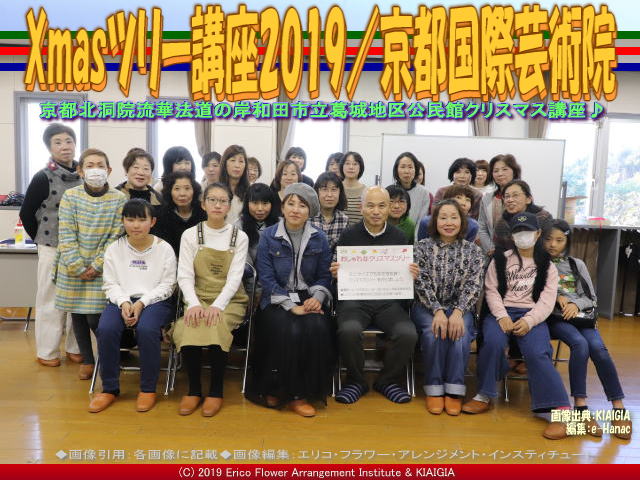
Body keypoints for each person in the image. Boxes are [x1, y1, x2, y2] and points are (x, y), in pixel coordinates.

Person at [462, 212, 572, 440]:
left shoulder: (547, 265)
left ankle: (561, 411)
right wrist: (502, 316)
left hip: (532, 314)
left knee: (538, 352)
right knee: (492, 342)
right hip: (501, 312)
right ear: (512, 236)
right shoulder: (500, 260)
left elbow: (547, 300)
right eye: (518, 232)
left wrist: (529, 320)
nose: (523, 236)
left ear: (538, 234)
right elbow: (491, 290)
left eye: (528, 231)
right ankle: (484, 394)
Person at [250, 183, 333, 417]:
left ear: (310, 211)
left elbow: (324, 276)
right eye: (291, 203)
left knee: (317, 326)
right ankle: (277, 389)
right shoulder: (268, 236)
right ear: (283, 207)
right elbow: (266, 278)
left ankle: (302, 394)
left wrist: (317, 298)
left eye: (302, 205)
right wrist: (290, 306)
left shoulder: (319, 238)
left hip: (308, 296)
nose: (296, 210)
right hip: (276, 298)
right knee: (289, 329)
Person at [544, 220, 632, 439]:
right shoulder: (539, 265)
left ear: (567, 241)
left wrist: (575, 304)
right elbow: (536, 295)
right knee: (580, 345)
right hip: (556, 318)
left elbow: (591, 298)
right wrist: (556, 297)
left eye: (559, 240)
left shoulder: (577, 264)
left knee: (599, 350)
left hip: (581, 317)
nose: (553, 244)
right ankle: (581, 408)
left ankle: (618, 407)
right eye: (549, 239)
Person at [331, 186, 419, 405]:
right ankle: (356, 381)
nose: (376, 211)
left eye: (381, 206)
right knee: (348, 330)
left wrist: (411, 273)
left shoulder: (399, 237)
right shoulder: (349, 235)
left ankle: (387, 381)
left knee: (407, 333)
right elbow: (339, 270)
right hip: (355, 301)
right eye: (370, 205)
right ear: (362, 208)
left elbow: (404, 276)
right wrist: (337, 272)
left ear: (389, 208)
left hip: (388, 302)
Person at [88, 199, 176, 414]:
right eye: (130, 220)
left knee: (147, 329)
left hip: (156, 301)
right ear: (123, 221)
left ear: (152, 222)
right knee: (106, 329)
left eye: (142, 220)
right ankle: (109, 388)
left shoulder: (164, 249)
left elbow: (168, 285)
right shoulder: (114, 249)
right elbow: (110, 284)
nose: (136, 225)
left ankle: (147, 389)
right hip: (121, 300)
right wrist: (124, 302)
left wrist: (142, 302)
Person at [172, 182, 249, 417]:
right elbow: (184, 275)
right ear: (203, 204)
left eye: (223, 201)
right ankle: (194, 390)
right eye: (212, 200)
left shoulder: (239, 236)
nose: (217, 205)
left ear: (229, 206)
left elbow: (235, 278)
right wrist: (194, 304)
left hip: (230, 299)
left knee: (216, 324)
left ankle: (216, 391)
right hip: (198, 296)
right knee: (189, 325)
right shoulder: (190, 235)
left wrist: (217, 306)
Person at [54, 148, 126, 380]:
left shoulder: (119, 198)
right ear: (80, 170)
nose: (96, 170)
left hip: (102, 266)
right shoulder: (70, 196)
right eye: (90, 165)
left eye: (100, 165)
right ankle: (88, 359)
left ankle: (107, 358)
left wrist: (96, 265)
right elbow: (66, 233)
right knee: (77, 314)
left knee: (96, 317)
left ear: (109, 170)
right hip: (72, 264)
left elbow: (116, 235)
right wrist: (77, 265)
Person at [412, 199, 484, 415]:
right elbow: (420, 282)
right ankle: (434, 389)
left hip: (462, 307)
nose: (448, 222)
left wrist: (459, 312)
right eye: (443, 217)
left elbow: (474, 285)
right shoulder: (421, 247)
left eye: (454, 217)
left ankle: (454, 390)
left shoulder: (473, 251)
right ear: (434, 221)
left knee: (460, 334)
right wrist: (437, 310)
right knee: (434, 332)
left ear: (462, 222)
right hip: (426, 306)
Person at [20, 123, 83, 367]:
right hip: (51, 247)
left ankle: (77, 348)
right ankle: (47, 352)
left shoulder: (83, 174)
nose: (64, 146)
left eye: (68, 141)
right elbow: (26, 213)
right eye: (58, 142)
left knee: (79, 300)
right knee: (50, 299)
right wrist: (43, 240)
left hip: (80, 248)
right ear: (49, 147)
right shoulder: (42, 176)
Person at [153, 172, 206, 258]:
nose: (182, 194)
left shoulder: (204, 212)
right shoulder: (161, 215)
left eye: (187, 188)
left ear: (194, 190)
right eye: (177, 189)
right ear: (170, 191)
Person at [477, 154, 522, 254]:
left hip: (519, 253)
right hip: (493, 253)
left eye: (504, 169)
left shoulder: (523, 196)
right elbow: (482, 227)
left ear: (514, 171)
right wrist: (491, 249)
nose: (500, 174)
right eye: (496, 171)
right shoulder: (487, 198)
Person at [494, 180, 554, 251]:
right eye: (507, 196)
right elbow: (500, 249)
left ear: (528, 199)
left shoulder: (543, 218)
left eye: (515, 195)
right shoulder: (502, 223)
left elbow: (549, 245)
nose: (510, 200)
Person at [236, 183, 279, 267]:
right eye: (255, 203)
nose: (260, 209)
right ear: (247, 204)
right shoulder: (238, 226)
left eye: (265, 203)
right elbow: (243, 261)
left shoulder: (281, 224)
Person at [311, 172, 349, 254]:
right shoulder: (308, 218)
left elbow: (342, 250)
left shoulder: (344, 220)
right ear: (317, 192)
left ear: (340, 192)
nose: (329, 195)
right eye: (324, 189)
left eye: (334, 190)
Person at [115, 148, 163, 213]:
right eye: (136, 167)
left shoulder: (158, 199)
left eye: (146, 168)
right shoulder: (114, 195)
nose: (141, 173)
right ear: (126, 170)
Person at [392, 152, 431, 225]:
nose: (406, 171)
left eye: (410, 167)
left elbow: (421, 221)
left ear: (416, 170)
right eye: (403, 167)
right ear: (396, 170)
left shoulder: (424, 192)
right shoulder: (389, 191)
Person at [219, 144, 250, 224]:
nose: (237, 165)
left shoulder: (249, 191)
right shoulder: (216, 190)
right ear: (225, 163)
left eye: (241, 161)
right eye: (232, 160)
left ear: (245, 166)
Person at [340, 152, 368, 226]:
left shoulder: (367, 192)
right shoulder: (336, 189)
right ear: (342, 166)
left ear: (360, 167)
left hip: (360, 232)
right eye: (347, 163)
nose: (351, 167)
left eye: (355, 164)